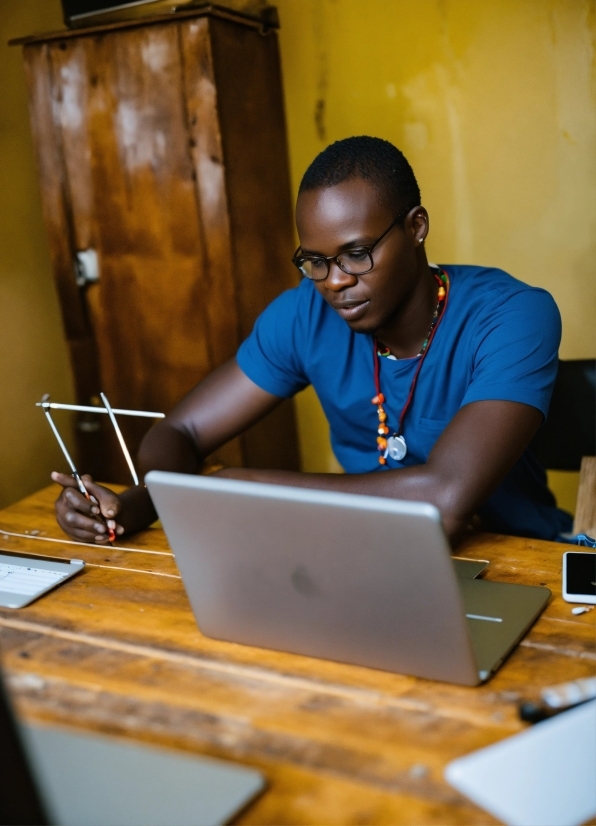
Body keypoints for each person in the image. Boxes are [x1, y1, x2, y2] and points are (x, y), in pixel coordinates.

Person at [52, 136, 572, 546]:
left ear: (416, 227)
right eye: (315, 261)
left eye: (357, 253)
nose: (334, 281)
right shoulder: (305, 314)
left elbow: (444, 499)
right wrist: (138, 505)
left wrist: (241, 488)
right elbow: (180, 430)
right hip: (365, 556)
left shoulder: (513, 315)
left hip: (517, 559)